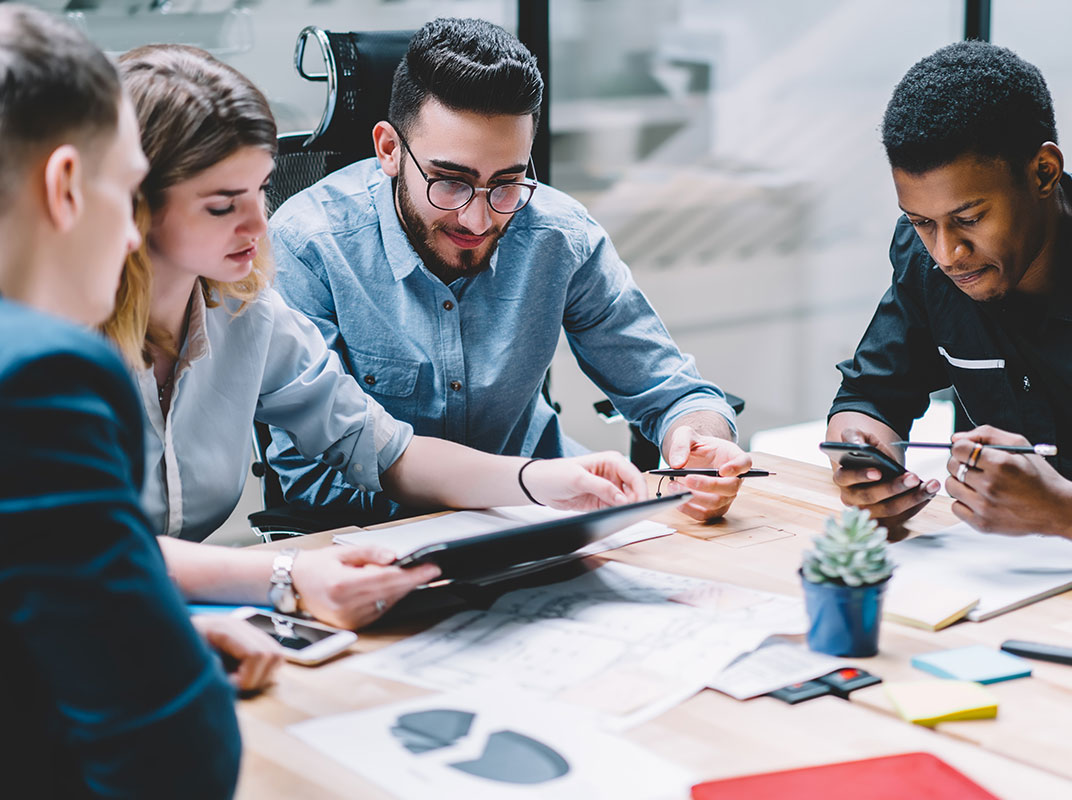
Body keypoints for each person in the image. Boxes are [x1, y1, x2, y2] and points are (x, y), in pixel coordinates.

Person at [101, 43, 647, 630]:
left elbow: (385, 448)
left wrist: (541, 482)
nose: (261, 225)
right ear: (132, 204)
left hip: (160, 614)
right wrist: (287, 576)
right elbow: (71, 546)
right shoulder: (56, 340)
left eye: (261, 190)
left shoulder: (244, 312)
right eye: (221, 205)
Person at [268, 17, 751, 524]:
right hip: (380, 543)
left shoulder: (559, 235)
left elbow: (676, 393)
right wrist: (513, 493)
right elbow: (312, 482)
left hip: (551, 517)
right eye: (450, 181)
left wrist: (698, 446)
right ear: (390, 150)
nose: (479, 219)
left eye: (506, 182)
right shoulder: (309, 245)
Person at [0, 6, 255, 795]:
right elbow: (176, 760)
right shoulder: (42, 378)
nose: (130, 234)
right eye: (130, 192)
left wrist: (156, 632)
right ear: (67, 186)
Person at [826, 40, 1072, 566]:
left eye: (970, 218)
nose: (948, 252)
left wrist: (1065, 511)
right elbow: (868, 398)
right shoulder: (930, 257)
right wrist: (862, 462)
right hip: (999, 581)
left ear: (1044, 172)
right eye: (921, 221)